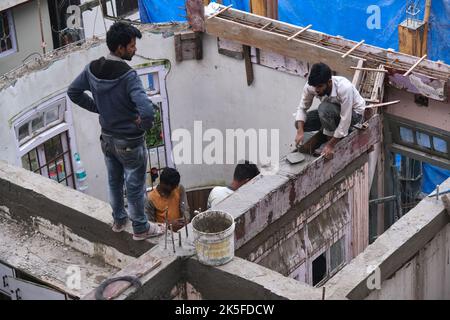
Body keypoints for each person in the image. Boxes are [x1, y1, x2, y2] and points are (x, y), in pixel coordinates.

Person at [67, 21, 164, 241]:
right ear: (120, 48)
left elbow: (73, 92)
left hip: (108, 138)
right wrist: (142, 126)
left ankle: (119, 220)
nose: (134, 49)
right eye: (131, 46)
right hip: (129, 141)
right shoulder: (128, 76)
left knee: (114, 181)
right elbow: (147, 111)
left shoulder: (92, 68)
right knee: (135, 185)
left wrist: (98, 108)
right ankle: (140, 228)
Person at [294, 62, 366, 159]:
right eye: (314, 86)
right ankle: (328, 133)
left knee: (324, 109)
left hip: (353, 114)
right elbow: (302, 108)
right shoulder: (311, 87)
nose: (316, 90)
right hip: (331, 113)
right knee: (301, 123)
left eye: (319, 86)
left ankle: (331, 140)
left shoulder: (344, 87)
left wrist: (331, 145)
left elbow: (346, 119)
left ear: (329, 82)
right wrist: (300, 131)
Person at [145, 168, 190, 232]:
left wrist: (186, 219)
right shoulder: (150, 198)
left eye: (176, 186)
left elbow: (185, 209)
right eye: (173, 187)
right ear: (163, 183)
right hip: (163, 235)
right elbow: (149, 225)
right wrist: (168, 225)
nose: (175, 189)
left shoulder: (179, 188)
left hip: (181, 231)